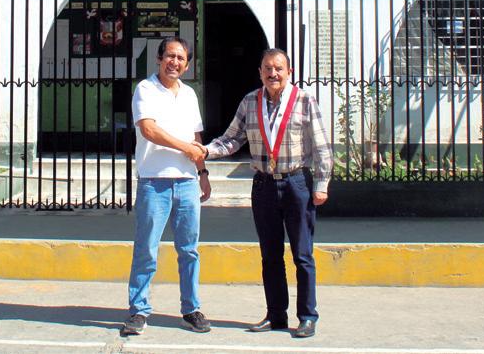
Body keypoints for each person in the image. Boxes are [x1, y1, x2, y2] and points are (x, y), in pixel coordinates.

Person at [200, 48, 332, 339]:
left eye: (279, 69)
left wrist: (321, 184)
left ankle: (307, 316)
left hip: (296, 184)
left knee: (302, 255)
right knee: (270, 255)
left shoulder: (304, 100)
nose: (273, 74)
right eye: (268, 69)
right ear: (260, 72)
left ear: (289, 72)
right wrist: (206, 151)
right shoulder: (250, 101)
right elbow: (232, 139)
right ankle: (276, 315)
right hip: (263, 185)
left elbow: (321, 145)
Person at [121, 36, 212, 337]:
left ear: (187, 65)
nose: (174, 62)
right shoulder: (145, 89)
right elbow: (149, 130)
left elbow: (196, 138)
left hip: (187, 183)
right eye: (170, 56)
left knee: (189, 250)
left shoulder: (189, 94)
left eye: (181, 58)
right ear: (159, 59)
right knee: (146, 249)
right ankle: (138, 310)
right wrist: (185, 148)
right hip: (154, 182)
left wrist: (202, 171)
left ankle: (191, 309)